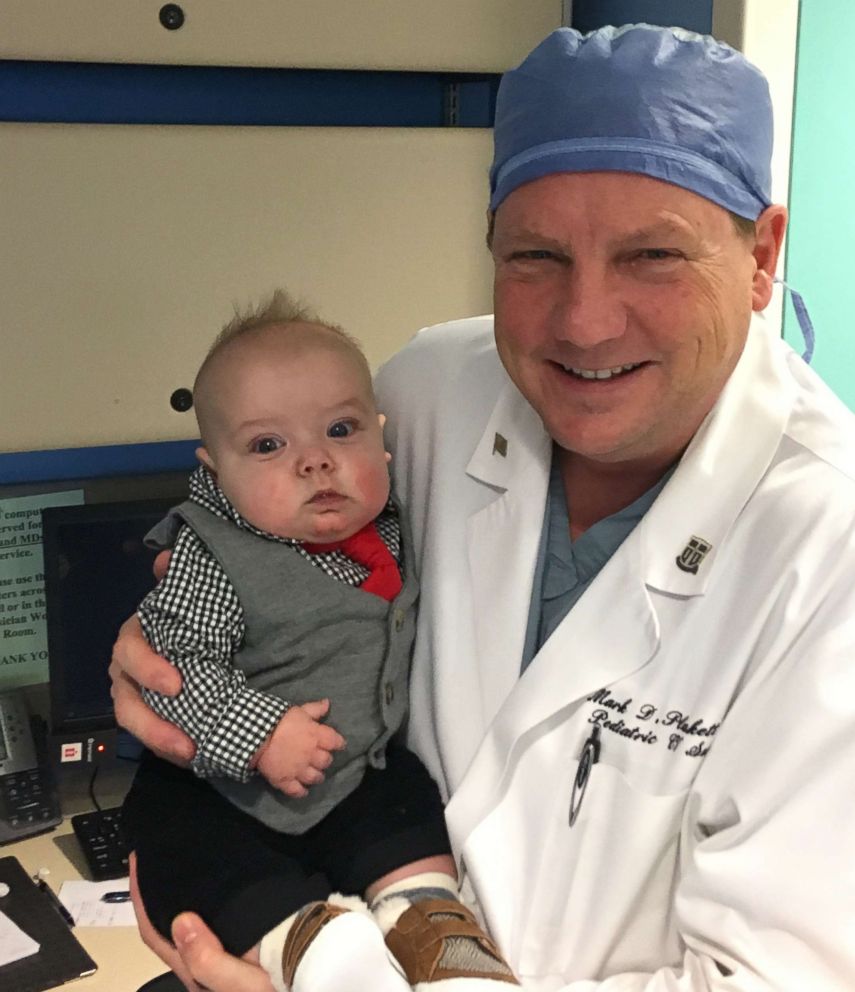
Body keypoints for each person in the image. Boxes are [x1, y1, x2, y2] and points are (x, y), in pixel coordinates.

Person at [111, 24, 855, 992]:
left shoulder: (827, 546)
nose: (585, 321)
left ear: (761, 255)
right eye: (537, 255)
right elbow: (261, 532)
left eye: (652, 256)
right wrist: (165, 643)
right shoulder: (424, 398)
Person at [121, 293, 519, 992]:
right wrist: (260, 731)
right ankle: (319, 949)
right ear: (215, 471)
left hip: (353, 774)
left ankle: (432, 928)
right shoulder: (214, 555)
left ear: (380, 435)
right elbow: (170, 667)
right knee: (202, 866)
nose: (316, 463)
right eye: (268, 445)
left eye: (340, 430)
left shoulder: (395, 523)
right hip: (218, 792)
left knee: (405, 809)